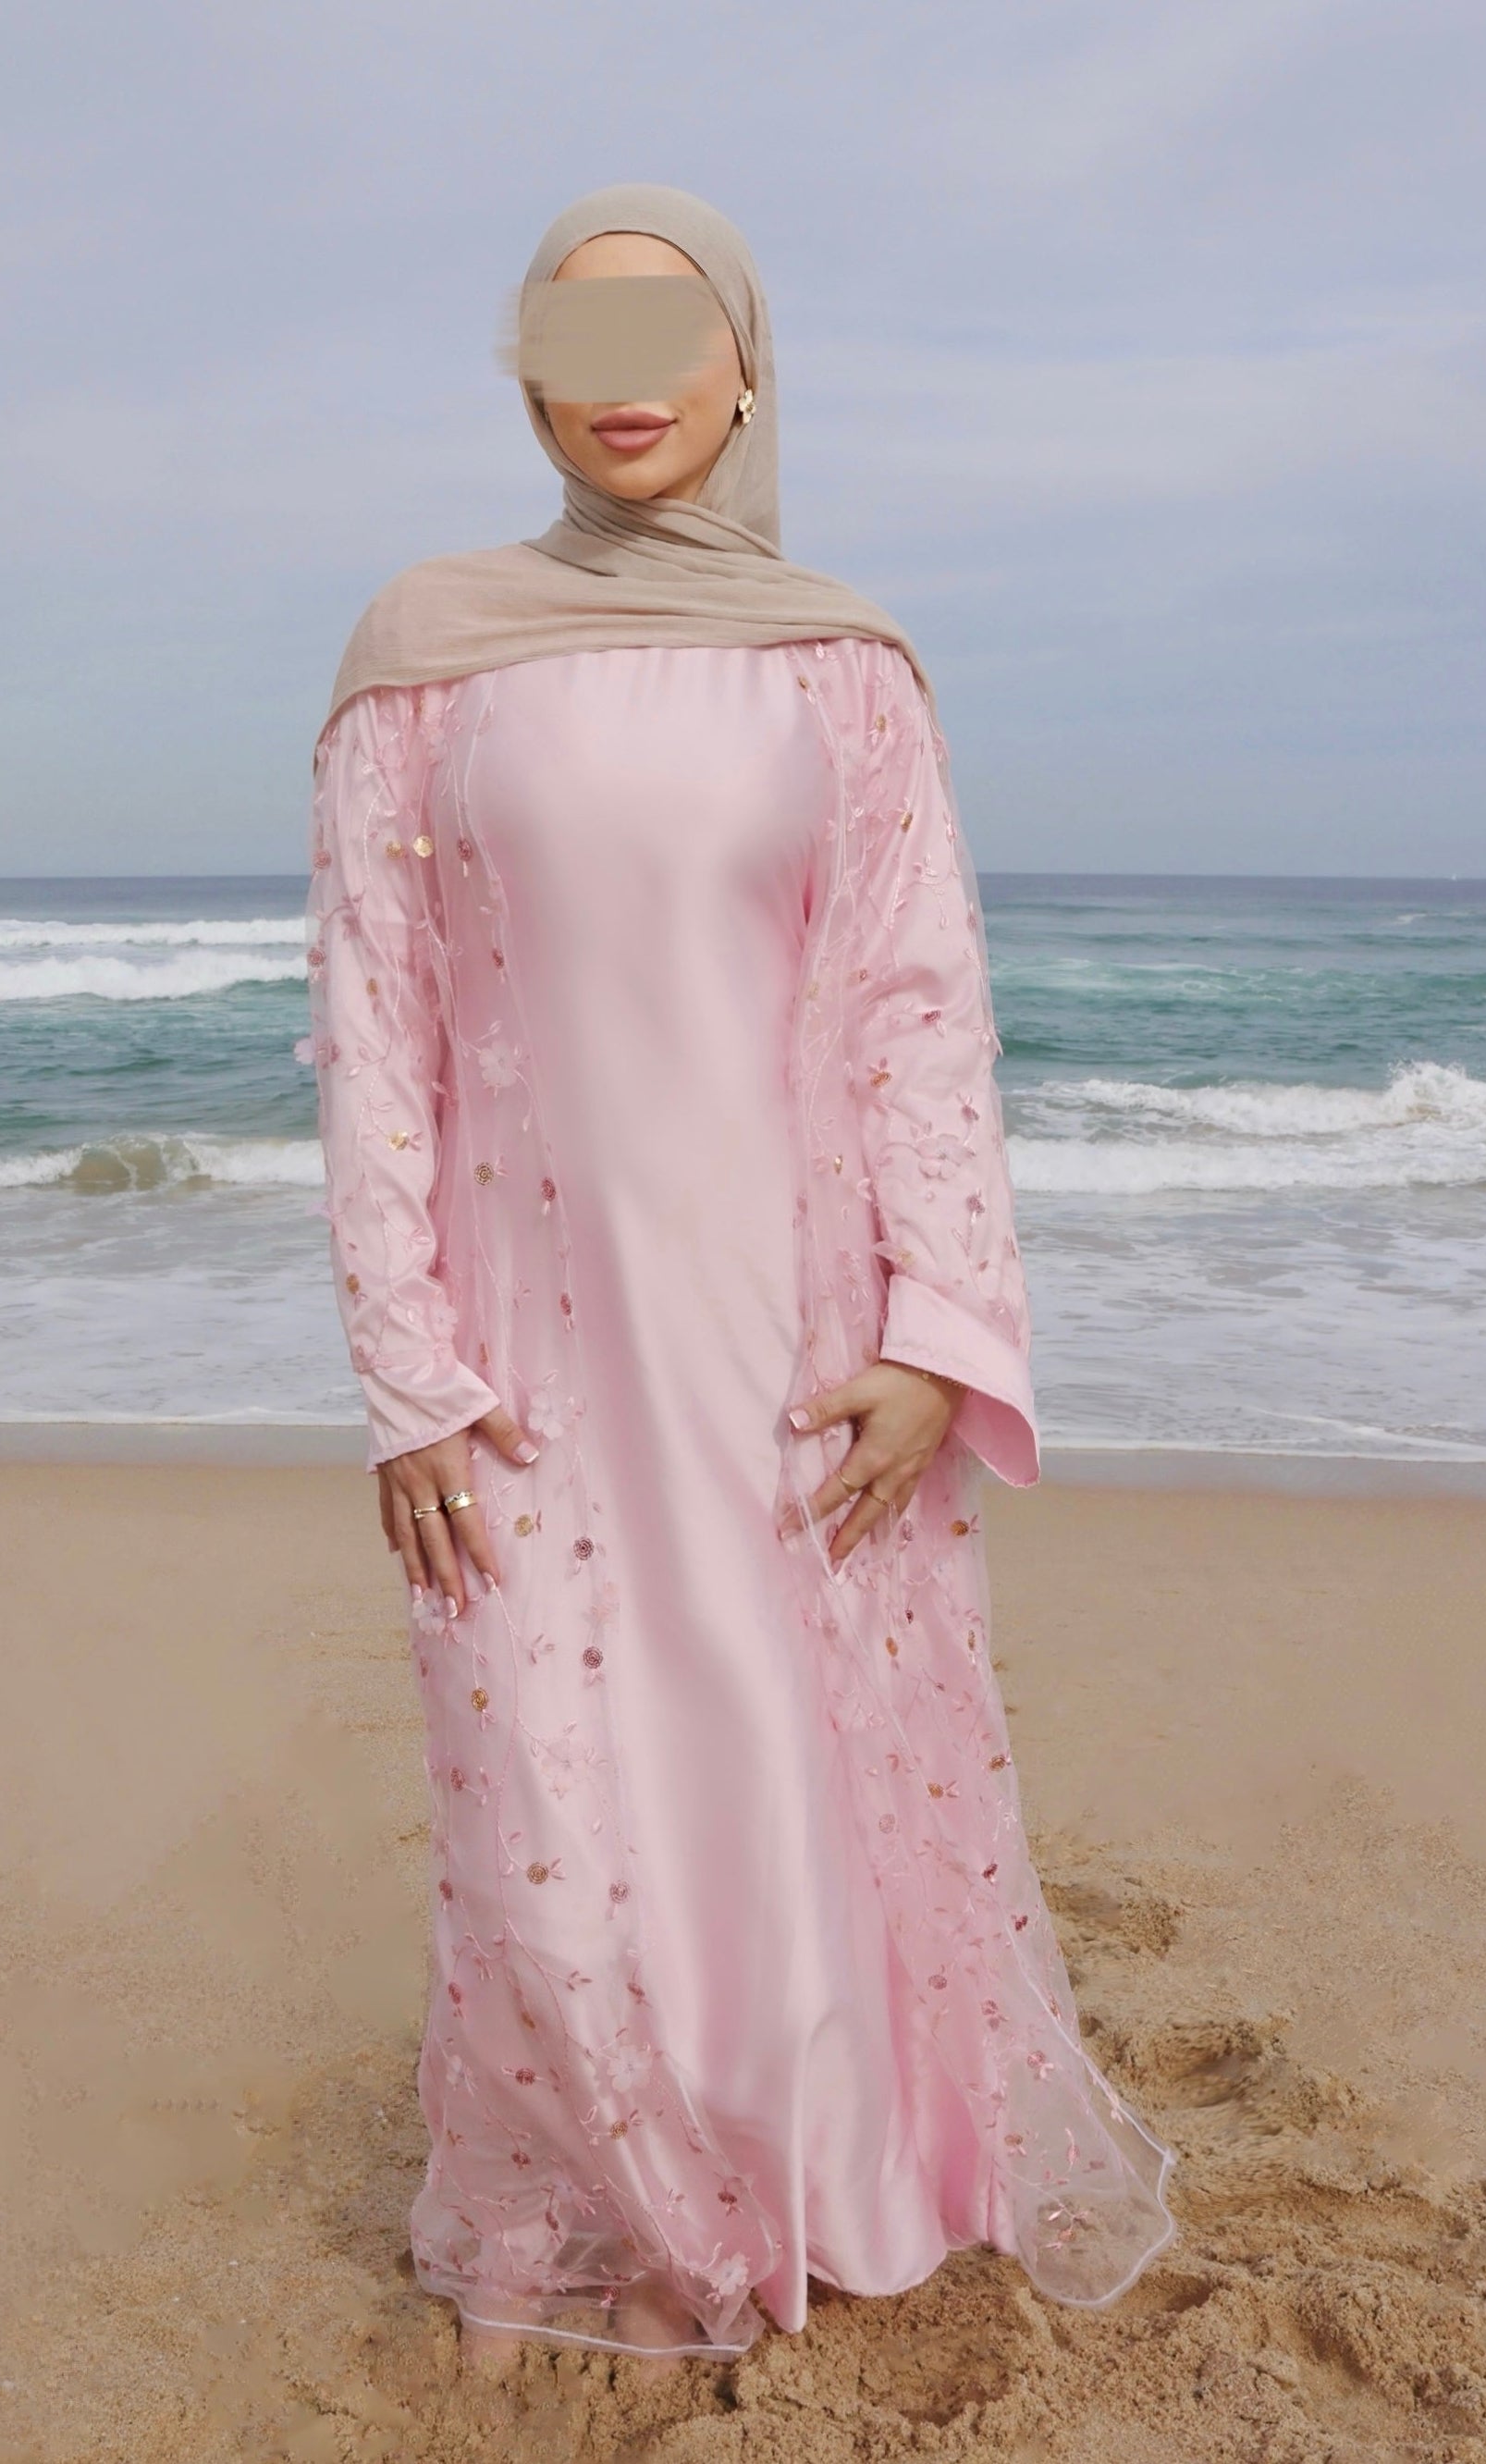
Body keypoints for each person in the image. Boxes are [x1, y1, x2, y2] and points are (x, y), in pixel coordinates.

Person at [306, 183, 1173, 2360]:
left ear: (749, 366)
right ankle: (587, 2203)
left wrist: (934, 1336)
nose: (624, 384)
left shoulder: (842, 665)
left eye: (669, 333)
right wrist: (407, 1372)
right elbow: (372, 1026)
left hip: (795, 1338)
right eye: (576, 337)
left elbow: (918, 1010)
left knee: (791, 1777)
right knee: (548, 1797)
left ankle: (838, 2188)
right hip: (524, 1351)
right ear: (523, 375)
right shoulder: (425, 649)